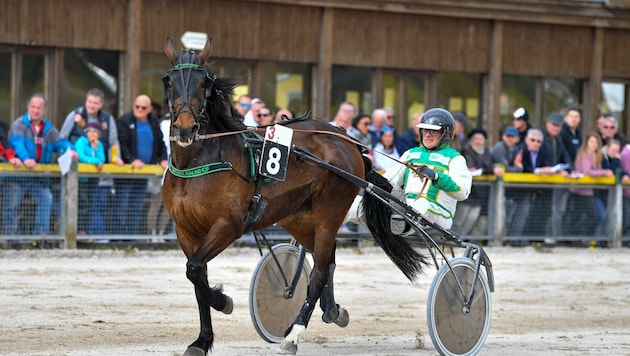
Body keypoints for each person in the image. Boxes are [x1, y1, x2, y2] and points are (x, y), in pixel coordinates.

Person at [385, 107, 472, 233]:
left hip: (440, 213)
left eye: (434, 131)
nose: (428, 134)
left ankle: (402, 226)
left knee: (421, 203)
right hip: (407, 204)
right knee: (360, 203)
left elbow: (462, 192)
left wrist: (437, 177)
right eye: (425, 130)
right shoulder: (410, 154)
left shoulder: (455, 158)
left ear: (447, 134)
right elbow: (390, 179)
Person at [3, 93, 77, 235]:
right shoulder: (18, 125)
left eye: (39, 108)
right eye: (33, 107)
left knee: (46, 198)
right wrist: (25, 159)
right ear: (28, 108)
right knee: (11, 205)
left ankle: (40, 238)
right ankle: (12, 240)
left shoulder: (49, 129)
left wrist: (71, 150)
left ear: (44, 110)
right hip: (16, 177)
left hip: (37, 178)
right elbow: (17, 144)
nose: (35, 110)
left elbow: (60, 142)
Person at [59, 88, 123, 233]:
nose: (91, 105)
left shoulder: (107, 118)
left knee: (93, 203)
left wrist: (115, 157)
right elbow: (62, 138)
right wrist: (71, 151)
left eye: (95, 103)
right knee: (76, 202)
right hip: (76, 169)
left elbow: (113, 141)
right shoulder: (75, 115)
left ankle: (87, 233)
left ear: (101, 105)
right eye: (89, 101)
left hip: (97, 170)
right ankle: (71, 232)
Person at [114, 95, 168, 235]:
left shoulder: (154, 122)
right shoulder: (125, 121)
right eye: (137, 106)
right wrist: (131, 160)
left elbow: (161, 143)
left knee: (136, 206)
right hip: (127, 172)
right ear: (133, 106)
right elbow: (122, 144)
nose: (140, 109)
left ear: (150, 109)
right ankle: (118, 236)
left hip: (144, 172)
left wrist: (162, 158)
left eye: (143, 107)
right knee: (122, 205)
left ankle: (130, 236)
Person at [506, 128, 556, 237]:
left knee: (522, 215)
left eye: (538, 141)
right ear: (526, 140)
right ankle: (505, 239)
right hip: (513, 190)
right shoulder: (519, 150)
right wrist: (537, 171)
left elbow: (547, 165)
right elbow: (520, 167)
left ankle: (514, 239)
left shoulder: (543, 152)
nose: (535, 143)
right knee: (509, 216)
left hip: (529, 191)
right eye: (533, 140)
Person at [453, 128, 503, 236]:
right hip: (468, 193)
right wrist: (489, 171)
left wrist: (487, 170)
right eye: (476, 138)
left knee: (471, 220)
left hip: (480, 194)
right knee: (459, 220)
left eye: (481, 139)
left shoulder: (487, 153)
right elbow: (472, 170)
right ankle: (450, 240)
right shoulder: (465, 151)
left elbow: (487, 167)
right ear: (471, 140)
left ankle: (460, 240)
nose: (478, 141)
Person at [567, 133, 613, 236]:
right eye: (591, 142)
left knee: (585, 216)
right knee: (594, 216)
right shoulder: (584, 154)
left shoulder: (596, 156)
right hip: (581, 190)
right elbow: (588, 172)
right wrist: (605, 172)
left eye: (596, 142)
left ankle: (581, 236)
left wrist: (604, 172)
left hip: (589, 191)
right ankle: (573, 233)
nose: (594, 144)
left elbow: (598, 169)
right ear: (587, 143)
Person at [541, 112, 573, 240]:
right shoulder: (541, 137)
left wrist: (571, 170)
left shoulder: (558, 139)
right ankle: (538, 239)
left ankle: (551, 238)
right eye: (554, 125)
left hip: (554, 182)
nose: (556, 128)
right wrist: (556, 170)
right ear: (547, 124)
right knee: (541, 211)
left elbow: (566, 157)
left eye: (559, 126)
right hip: (542, 181)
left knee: (553, 210)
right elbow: (542, 159)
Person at [74, 122, 108, 234]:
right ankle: (79, 229)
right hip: (81, 178)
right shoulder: (81, 141)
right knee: (82, 203)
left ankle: (86, 230)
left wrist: (95, 148)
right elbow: (81, 156)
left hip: (93, 178)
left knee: (90, 204)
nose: (92, 134)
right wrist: (95, 161)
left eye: (95, 132)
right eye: (89, 131)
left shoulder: (99, 145)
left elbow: (102, 159)